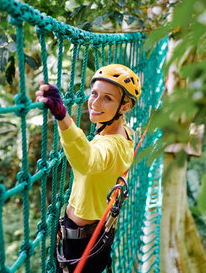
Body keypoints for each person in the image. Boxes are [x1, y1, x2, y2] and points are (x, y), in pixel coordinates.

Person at [35, 64, 141, 273]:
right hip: (94, 236)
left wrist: (62, 117)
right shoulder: (125, 132)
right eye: (94, 93)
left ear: (124, 107)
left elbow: (88, 160)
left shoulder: (112, 146)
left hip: (81, 246)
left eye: (107, 98)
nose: (94, 102)